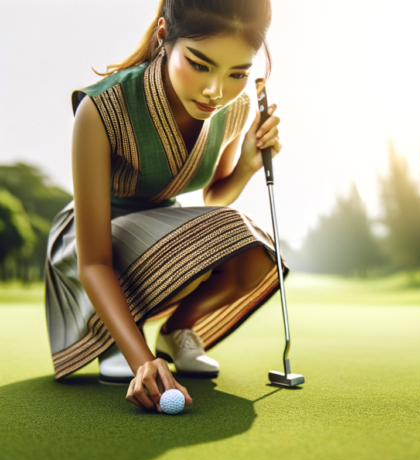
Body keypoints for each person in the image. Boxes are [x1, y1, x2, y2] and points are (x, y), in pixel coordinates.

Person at [45, 0, 283, 412]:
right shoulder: (101, 108)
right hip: (88, 244)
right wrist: (144, 363)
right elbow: (94, 262)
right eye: (200, 64)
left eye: (238, 73)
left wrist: (245, 166)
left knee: (254, 250)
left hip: (157, 232)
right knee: (231, 229)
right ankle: (119, 336)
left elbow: (215, 197)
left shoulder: (234, 107)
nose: (216, 91)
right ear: (163, 38)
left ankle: (176, 330)